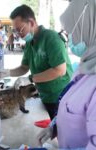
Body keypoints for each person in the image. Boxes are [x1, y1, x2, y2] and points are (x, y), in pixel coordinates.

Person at [38, 0, 96, 149]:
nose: (70, 39)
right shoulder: (85, 67)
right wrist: (54, 127)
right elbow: (72, 108)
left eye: (72, 32)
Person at [0, 4, 73, 120]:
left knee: (61, 131)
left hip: (61, 95)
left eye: (20, 29)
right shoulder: (29, 43)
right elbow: (24, 67)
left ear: (32, 23)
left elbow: (59, 70)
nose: (19, 34)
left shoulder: (51, 38)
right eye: (16, 31)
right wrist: (6, 73)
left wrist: (30, 79)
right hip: (44, 95)